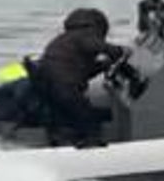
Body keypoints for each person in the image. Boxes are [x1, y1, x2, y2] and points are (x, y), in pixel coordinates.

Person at [36, 8, 127, 147]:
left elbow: (82, 70)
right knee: (87, 119)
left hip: (51, 84)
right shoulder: (82, 36)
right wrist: (120, 51)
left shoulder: (65, 40)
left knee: (65, 116)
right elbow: (97, 46)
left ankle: (60, 140)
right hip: (65, 85)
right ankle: (92, 146)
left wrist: (104, 65)